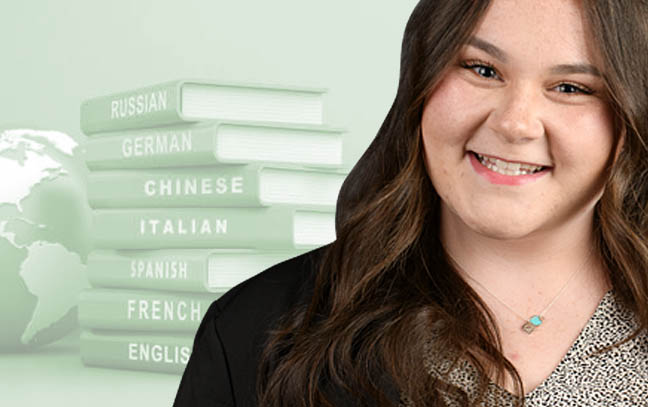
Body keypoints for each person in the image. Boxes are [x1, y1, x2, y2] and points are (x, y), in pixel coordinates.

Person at [173, 0, 648, 405]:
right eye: (482, 69)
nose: (516, 124)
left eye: (571, 88)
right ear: (420, 81)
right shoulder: (256, 331)